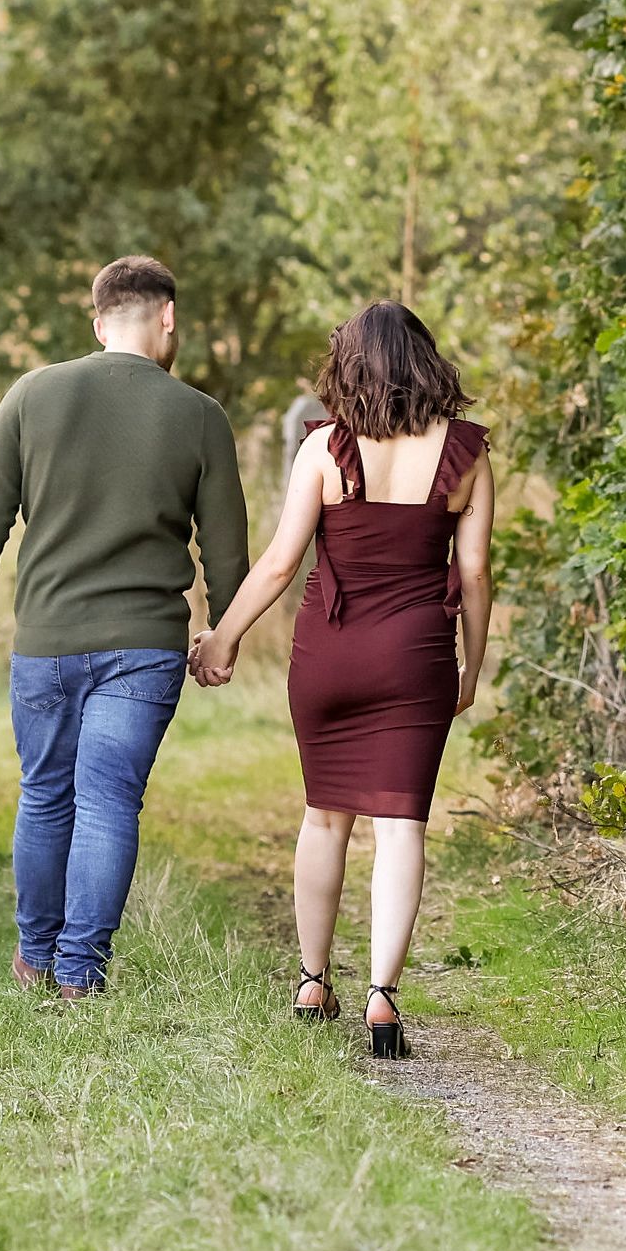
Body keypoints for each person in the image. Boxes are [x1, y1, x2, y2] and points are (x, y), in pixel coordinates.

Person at [189, 302, 493, 1059]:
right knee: (402, 828)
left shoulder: (325, 449)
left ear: (347, 365)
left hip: (329, 655)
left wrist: (221, 639)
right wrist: (472, 666)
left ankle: (311, 982)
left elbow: (282, 563)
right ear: (426, 362)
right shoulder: (467, 454)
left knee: (325, 817)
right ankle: (383, 1000)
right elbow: (476, 571)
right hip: (415, 655)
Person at [0, 254, 249, 999]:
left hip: (47, 639)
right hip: (143, 647)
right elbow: (227, 551)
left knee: (45, 792)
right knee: (109, 800)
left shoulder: (32, 394)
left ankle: (33, 959)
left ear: (97, 320)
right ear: (168, 317)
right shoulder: (199, 417)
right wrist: (224, 633)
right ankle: (81, 974)